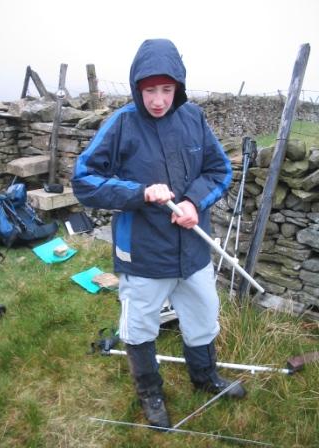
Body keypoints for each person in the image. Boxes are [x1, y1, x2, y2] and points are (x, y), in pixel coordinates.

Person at [72, 38, 246, 429]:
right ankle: (151, 394)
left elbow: (219, 171)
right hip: (145, 253)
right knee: (139, 327)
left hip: (193, 248)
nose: (157, 99)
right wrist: (139, 192)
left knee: (203, 317)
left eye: (166, 89)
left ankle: (206, 379)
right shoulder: (121, 124)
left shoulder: (194, 119)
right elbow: (83, 180)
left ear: (178, 87)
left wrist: (194, 203)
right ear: (137, 86)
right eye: (150, 89)